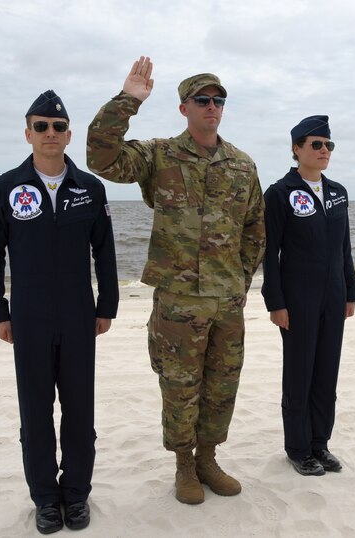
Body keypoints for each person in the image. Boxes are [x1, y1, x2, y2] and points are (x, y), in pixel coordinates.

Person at [86, 57, 266, 505]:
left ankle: (209, 457)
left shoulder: (242, 165)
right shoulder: (159, 155)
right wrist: (128, 101)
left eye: (218, 100)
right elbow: (101, 158)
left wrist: (240, 281)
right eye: (202, 100)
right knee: (180, 387)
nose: (212, 107)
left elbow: (255, 228)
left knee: (223, 386)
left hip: (226, 302)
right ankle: (184, 464)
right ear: (184, 107)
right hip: (178, 302)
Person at [0, 90, 119, 534]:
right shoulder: (6, 188)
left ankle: (76, 494)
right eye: (41, 126)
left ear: (68, 134)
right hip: (30, 316)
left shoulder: (89, 188)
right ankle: (45, 497)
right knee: (36, 411)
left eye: (58, 127)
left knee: (79, 410)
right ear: (28, 133)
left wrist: (107, 305)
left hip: (80, 314)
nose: (50, 133)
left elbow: (105, 252)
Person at [261, 115, 355, 476]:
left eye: (328, 145)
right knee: (299, 374)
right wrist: (276, 302)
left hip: (333, 297)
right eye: (315, 144)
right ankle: (299, 448)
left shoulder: (338, 193)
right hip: (297, 299)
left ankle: (320, 443)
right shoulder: (280, 193)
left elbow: (344, 247)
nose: (323, 151)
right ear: (296, 149)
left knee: (326, 374)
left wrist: (350, 291)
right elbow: (270, 253)